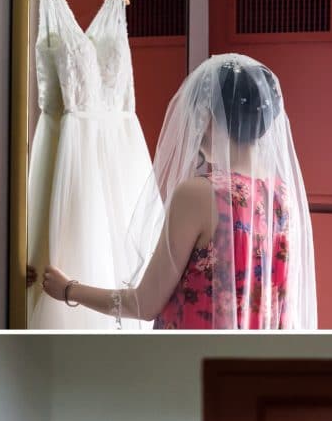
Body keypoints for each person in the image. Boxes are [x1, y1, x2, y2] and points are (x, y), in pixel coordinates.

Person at [39, 53, 317, 330]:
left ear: (208, 118)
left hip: (189, 361)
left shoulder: (198, 194)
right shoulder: (281, 196)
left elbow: (143, 304)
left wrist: (68, 290)